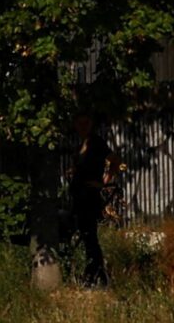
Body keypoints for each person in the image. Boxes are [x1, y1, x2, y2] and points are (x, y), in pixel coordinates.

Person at [67, 113, 114, 286]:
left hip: (89, 196)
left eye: (86, 123)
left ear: (91, 124)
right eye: (79, 123)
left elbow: (115, 161)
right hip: (79, 195)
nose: (82, 126)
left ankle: (96, 274)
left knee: (90, 235)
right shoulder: (80, 144)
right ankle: (94, 273)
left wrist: (103, 182)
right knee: (85, 236)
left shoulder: (97, 143)